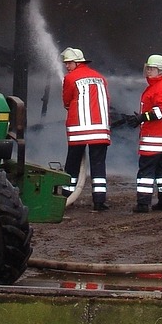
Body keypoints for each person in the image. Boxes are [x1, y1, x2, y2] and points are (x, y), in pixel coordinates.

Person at [58, 46, 112, 211]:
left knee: (72, 164)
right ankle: (99, 201)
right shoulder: (101, 78)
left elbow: (66, 102)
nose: (67, 66)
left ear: (77, 62)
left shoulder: (70, 78)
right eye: (66, 63)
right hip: (100, 129)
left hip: (78, 130)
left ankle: (67, 198)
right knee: (98, 164)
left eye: (69, 63)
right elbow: (107, 100)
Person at [122, 53, 162, 212]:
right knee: (161, 169)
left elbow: (161, 111)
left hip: (155, 137)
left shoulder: (160, 86)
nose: (148, 71)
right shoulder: (158, 85)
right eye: (148, 68)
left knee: (146, 169)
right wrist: (140, 118)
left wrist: (141, 118)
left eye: (152, 69)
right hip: (161, 137)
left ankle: (143, 204)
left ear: (160, 71)